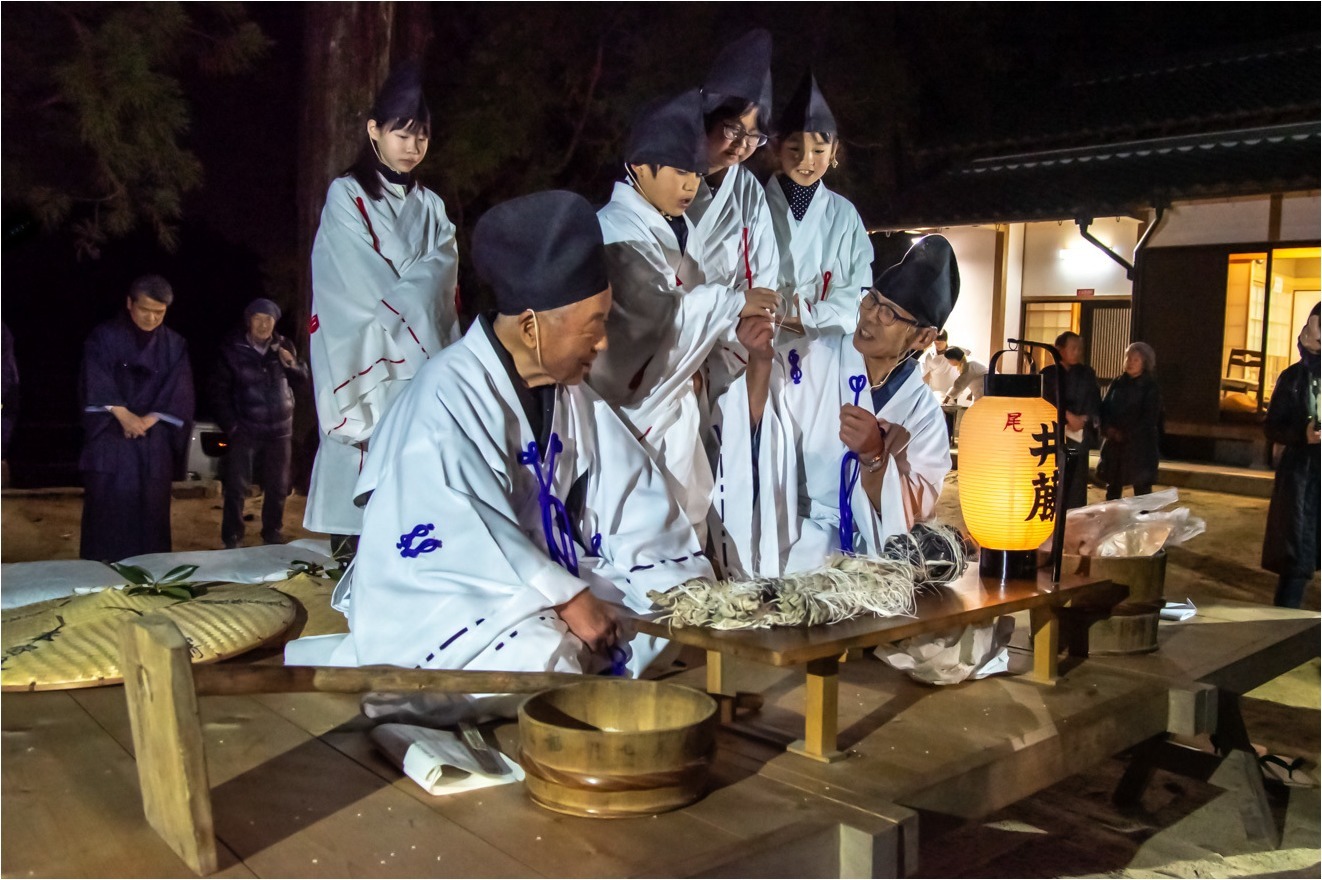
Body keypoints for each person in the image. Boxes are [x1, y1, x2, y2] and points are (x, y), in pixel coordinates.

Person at [286, 192, 713, 710]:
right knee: (537, 659)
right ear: (533, 326)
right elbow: (458, 534)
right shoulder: (444, 396)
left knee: (677, 603)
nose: (602, 343)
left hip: (542, 579)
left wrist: (665, 577)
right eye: (593, 325)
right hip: (445, 594)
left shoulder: (570, 393)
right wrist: (570, 598)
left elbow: (629, 493)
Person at [590, 89, 779, 541]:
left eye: (696, 173)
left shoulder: (678, 227)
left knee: (681, 525)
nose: (690, 186)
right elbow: (649, 320)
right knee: (637, 534)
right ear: (638, 167)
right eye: (678, 172)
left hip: (677, 406)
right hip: (630, 411)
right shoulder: (614, 230)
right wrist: (732, 302)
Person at [711, 234, 957, 577]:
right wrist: (761, 361)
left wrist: (875, 458)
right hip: (784, 543)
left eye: (888, 314)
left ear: (923, 337)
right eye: (871, 300)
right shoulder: (807, 356)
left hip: (866, 565)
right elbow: (743, 431)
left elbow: (912, 512)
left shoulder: (924, 414)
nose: (870, 317)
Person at [305, 61, 460, 564]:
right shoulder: (346, 195)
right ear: (373, 130)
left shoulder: (433, 206)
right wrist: (402, 309)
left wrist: (404, 304)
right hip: (370, 357)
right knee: (367, 463)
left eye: (422, 137)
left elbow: (444, 275)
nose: (413, 147)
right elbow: (347, 275)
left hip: (417, 357)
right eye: (402, 133)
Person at [78, 275, 194, 562]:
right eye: (146, 310)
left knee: (152, 509)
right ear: (129, 303)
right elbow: (94, 378)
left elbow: (179, 390)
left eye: (160, 312)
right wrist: (122, 414)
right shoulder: (103, 337)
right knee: (108, 509)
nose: (152, 317)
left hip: (152, 439)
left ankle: (150, 576)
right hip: (111, 437)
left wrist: (149, 420)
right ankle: (103, 576)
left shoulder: (175, 344)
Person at [762, 72, 873, 335]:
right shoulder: (755, 205)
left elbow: (857, 290)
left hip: (821, 346)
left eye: (819, 151)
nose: (806, 160)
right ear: (777, 147)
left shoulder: (844, 215)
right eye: (795, 149)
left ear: (834, 151)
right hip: (763, 341)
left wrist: (811, 317)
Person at [210, 298, 309, 549]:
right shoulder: (232, 348)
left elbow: (302, 381)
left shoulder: (284, 345)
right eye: (258, 318)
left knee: (278, 486)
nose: (264, 324)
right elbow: (218, 392)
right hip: (245, 428)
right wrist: (232, 426)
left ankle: (272, 532)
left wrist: (292, 364)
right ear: (249, 321)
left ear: (274, 322)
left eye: (269, 319)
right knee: (237, 486)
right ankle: (232, 535)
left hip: (280, 429)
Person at [1262, 303, 1320, 608]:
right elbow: (1272, 425)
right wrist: (1302, 435)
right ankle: (1282, 629)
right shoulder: (1293, 378)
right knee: (1296, 558)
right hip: (1300, 476)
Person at [1041, 330, 1103, 512]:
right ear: (1058, 349)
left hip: (1079, 433)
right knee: (1053, 478)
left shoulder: (1087, 373)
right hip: (1054, 433)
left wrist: (1085, 418)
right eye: (1073, 348)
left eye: (1079, 348)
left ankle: (1075, 519)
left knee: (1077, 480)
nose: (1077, 352)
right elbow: (1044, 401)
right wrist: (1067, 416)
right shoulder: (1048, 374)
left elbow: (1094, 399)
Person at [1098, 341, 1163, 499]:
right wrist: (1108, 428)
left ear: (1144, 363)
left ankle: (1142, 523)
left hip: (1139, 447)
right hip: (1115, 444)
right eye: (1128, 358)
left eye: (1136, 360)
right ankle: (1113, 521)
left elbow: (1149, 418)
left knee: (1141, 492)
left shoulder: (1150, 387)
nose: (1130, 362)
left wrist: (1127, 434)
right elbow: (1105, 407)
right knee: (1113, 488)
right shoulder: (1118, 382)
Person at [921, 329, 959, 400]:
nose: (937, 345)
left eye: (940, 343)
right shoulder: (929, 355)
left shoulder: (955, 352)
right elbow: (921, 372)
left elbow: (968, 360)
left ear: (946, 341)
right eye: (936, 342)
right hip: (936, 393)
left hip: (952, 391)